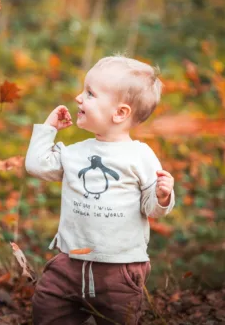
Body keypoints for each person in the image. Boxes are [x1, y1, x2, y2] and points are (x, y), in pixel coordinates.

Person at [25, 56, 175, 325]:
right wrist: (48, 130)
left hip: (119, 270)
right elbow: (37, 166)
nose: (78, 98)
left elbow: (150, 207)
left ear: (120, 113)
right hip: (70, 263)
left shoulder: (140, 155)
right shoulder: (75, 153)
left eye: (90, 94)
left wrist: (162, 196)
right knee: (46, 310)